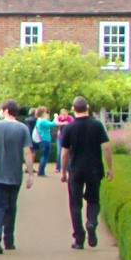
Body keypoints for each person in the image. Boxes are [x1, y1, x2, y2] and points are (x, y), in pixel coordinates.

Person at [0, 98, 34, 254]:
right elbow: (27, 152)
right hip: (15, 174)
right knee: (11, 206)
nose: (0, 113)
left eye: (1, 110)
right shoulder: (23, 129)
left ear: (6, 110)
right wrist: (30, 174)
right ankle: (9, 240)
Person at [59, 96, 113, 249]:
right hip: (94, 168)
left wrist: (63, 172)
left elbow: (64, 153)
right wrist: (110, 168)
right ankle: (91, 222)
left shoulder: (69, 128)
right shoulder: (97, 125)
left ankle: (79, 238)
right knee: (93, 200)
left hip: (76, 169)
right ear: (87, 107)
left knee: (75, 205)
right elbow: (106, 148)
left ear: (73, 109)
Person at [31, 107, 55, 176]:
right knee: (45, 156)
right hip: (45, 139)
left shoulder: (39, 120)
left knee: (44, 156)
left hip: (41, 139)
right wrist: (56, 117)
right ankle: (41, 171)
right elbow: (53, 124)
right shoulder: (43, 121)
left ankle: (41, 171)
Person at [51, 107, 73, 173]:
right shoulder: (59, 118)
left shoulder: (70, 118)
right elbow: (55, 123)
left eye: (65, 114)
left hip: (69, 137)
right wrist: (63, 123)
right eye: (63, 114)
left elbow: (72, 124)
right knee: (59, 152)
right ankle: (58, 167)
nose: (64, 116)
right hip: (60, 137)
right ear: (60, 114)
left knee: (68, 152)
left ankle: (68, 167)